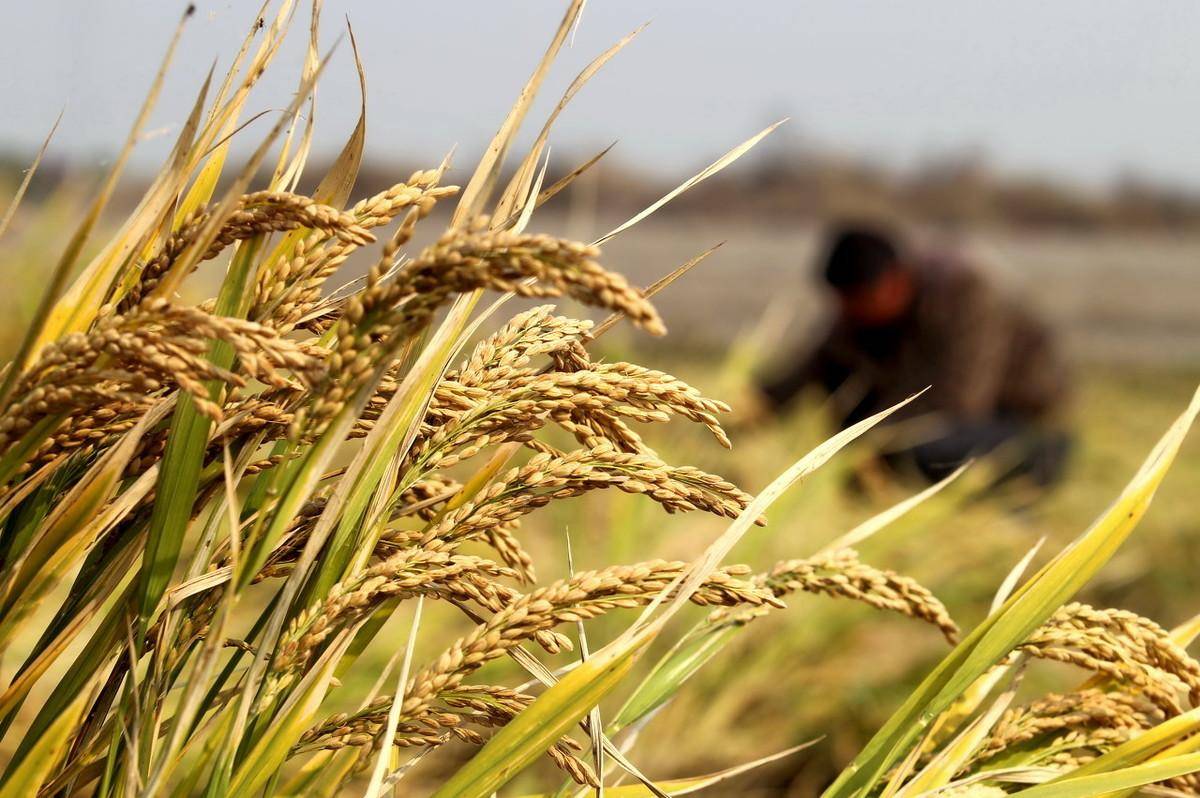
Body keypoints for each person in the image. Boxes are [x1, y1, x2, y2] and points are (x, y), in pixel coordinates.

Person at [758, 224, 1072, 489]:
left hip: (1009, 414)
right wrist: (746, 410)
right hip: (936, 411)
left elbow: (959, 400)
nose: (848, 313)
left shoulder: (966, 295)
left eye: (860, 301)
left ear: (896, 282)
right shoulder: (857, 313)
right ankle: (874, 483)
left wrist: (871, 441)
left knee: (933, 446)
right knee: (847, 389)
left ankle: (1034, 461)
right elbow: (813, 364)